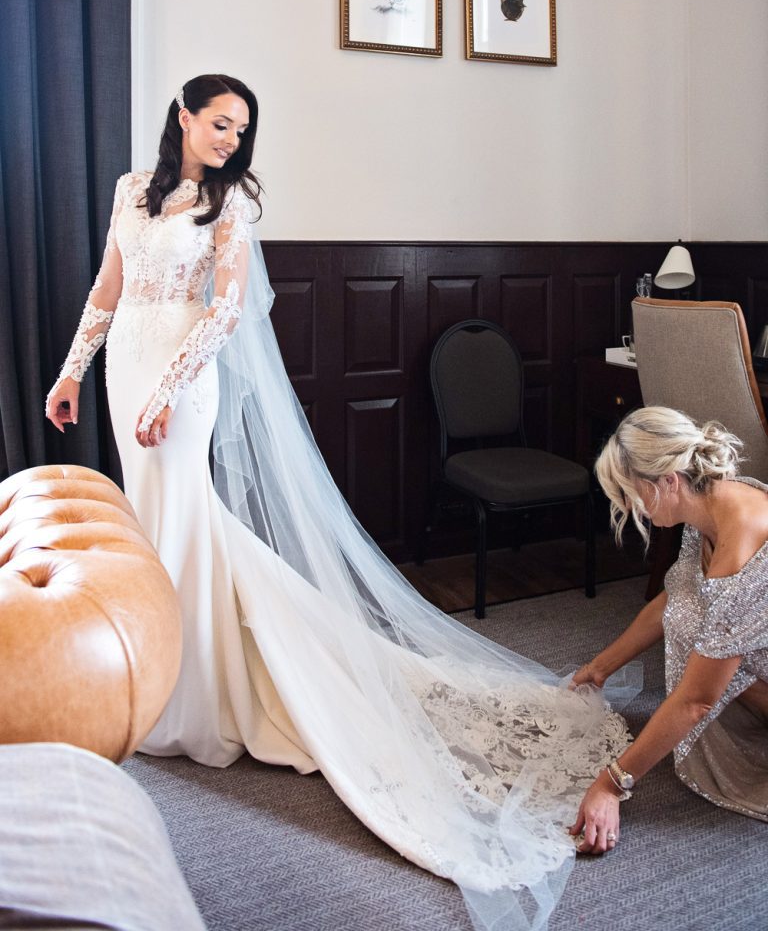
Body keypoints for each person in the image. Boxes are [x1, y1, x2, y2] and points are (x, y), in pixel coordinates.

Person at [46, 74, 639, 931]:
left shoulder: (233, 205)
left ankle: (177, 694)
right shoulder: (130, 192)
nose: (230, 139)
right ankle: (168, 676)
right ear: (181, 116)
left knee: (180, 520)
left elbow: (227, 312)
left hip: (180, 380)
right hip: (124, 370)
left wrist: (173, 388)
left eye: (241, 129)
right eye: (218, 123)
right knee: (157, 526)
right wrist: (72, 372)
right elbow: (109, 288)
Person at [570, 405, 768, 855]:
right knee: (689, 613)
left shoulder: (739, 549)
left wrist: (611, 783)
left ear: (667, 481)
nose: (625, 507)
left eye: (627, 493)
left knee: (703, 654)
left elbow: (697, 701)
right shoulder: (713, 504)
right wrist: (599, 669)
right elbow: (672, 598)